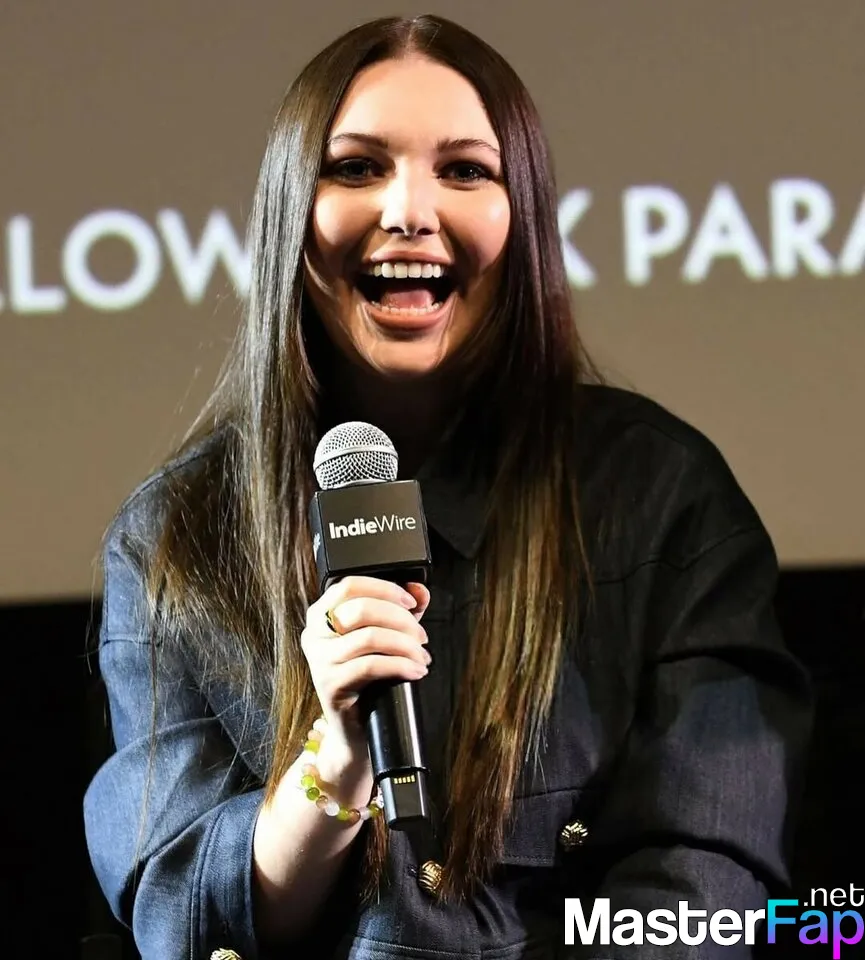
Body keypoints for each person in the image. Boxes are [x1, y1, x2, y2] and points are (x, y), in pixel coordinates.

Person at [83, 14, 811, 960]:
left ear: (523, 216)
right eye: (356, 168)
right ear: (290, 211)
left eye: (464, 170)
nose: (408, 211)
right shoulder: (173, 537)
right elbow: (190, 921)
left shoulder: (660, 496)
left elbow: (706, 881)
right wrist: (334, 766)